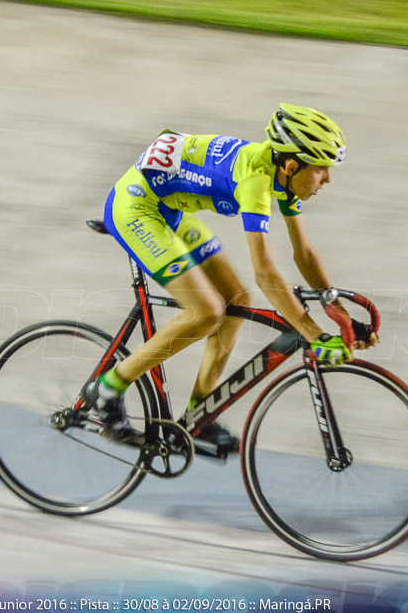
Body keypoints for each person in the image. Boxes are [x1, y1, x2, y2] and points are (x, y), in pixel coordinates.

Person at [83, 104, 380, 451]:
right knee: (206, 311)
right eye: (321, 170)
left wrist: (339, 314)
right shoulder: (255, 181)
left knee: (237, 300)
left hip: (169, 208)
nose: (327, 179)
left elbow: (305, 254)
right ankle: (107, 389)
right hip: (137, 208)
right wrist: (314, 335)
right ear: (291, 165)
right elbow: (266, 272)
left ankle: (199, 414)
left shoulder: (283, 176)